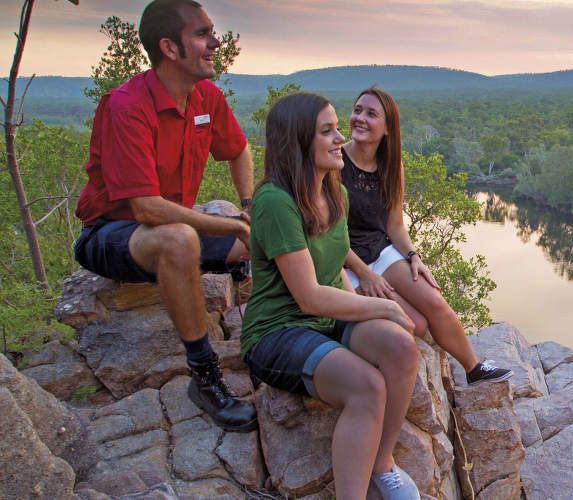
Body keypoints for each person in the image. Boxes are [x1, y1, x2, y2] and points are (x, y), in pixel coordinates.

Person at [73, 0, 255, 432]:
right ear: (170, 48)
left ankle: (280, 338)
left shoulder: (205, 96)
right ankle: (205, 378)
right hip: (111, 232)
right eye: (202, 34)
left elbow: (238, 149)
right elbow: (146, 209)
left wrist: (247, 208)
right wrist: (234, 226)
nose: (215, 42)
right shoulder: (127, 105)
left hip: (171, 223)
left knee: (270, 241)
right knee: (180, 240)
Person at [240, 92, 421, 500]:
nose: (341, 137)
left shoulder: (332, 192)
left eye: (338, 127)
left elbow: (333, 269)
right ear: (298, 142)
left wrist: (371, 312)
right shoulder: (275, 201)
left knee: (401, 347)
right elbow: (308, 297)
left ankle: (382, 463)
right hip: (277, 331)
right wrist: (386, 306)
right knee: (367, 386)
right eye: (327, 131)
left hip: (322, 321)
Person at [340, 87, 511, 385]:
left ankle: (474, 369)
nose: (360, 118)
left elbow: (394, 225)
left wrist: (413, 257)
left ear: (388, 128)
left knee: (434, 300)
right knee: (415, 324)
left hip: (380, 251)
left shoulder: (392, 167)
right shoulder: (335, 164)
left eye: (371, 113)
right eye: (357, 110)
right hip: (345, 261)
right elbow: (328, 236)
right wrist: (366, 275)